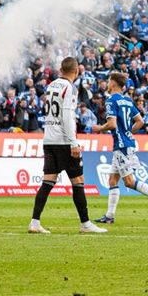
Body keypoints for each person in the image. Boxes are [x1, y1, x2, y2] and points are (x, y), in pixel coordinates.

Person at [30, 58, 106, 235]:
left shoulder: (51, 86)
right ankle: (85, 223)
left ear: (61, 69)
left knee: (48, 181)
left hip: (49, 139)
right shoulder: (70, 87)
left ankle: (35, 222)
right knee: (78, 181)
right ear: (76, 72)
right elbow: (66, 116)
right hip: (64, 140)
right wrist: (73, 142)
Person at [95, 71, 148, 225]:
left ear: (114, 83)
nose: (108, 84)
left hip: (122, 146)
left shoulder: (111, 101)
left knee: (128, 181)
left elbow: (112, 124)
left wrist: (99, 128)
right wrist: (128, 132)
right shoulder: (127, 100)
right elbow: (140, 121)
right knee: (112, 180)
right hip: (125, 143)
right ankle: (109, 216)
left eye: (109, 81)